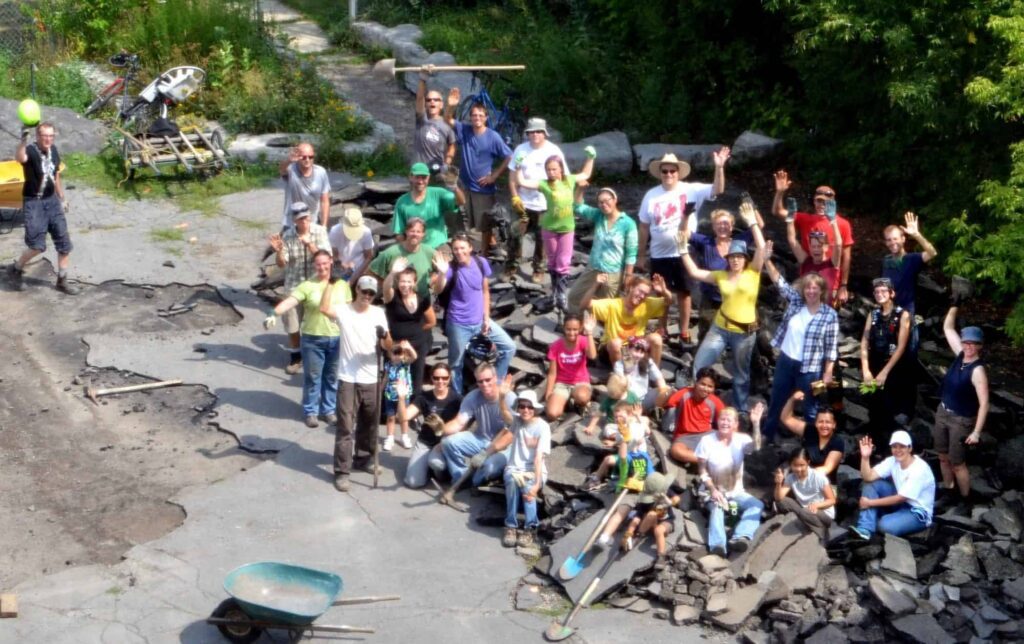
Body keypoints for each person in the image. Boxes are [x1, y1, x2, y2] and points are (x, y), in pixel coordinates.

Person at [637, 148, 730, 345]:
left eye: (672, 171)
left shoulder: (691, 189)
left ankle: (684, 330)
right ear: (660, 173)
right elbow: (644, 226)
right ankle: (662, 328)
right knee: (660, 291)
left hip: (684, 250)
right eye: (665, 171)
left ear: (678, 172)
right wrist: (640, 255)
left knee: (684, 291)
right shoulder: (651, 195)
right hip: (658, 252)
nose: (669, 174)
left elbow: (718, 189)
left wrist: (719, 167)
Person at [681, 200, 767, 412]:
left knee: (740, 374)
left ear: (744, 259)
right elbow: (694, 273)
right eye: (732, 257)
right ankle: (696, 401)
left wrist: (752, 222)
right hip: (720, 327)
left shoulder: (753, 273)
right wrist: (682, 250)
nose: (735, 260)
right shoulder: (720, 274)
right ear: (727, 259)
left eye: (739, 257)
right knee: (700, 363)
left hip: (745, 332)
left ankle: (739, 410)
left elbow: (762, 247)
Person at [320, 275, 392, 492]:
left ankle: (363, 458)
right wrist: (330, 285)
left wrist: (384, 335)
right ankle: (342, 471)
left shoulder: (378, 313)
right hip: (348, 378)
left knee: (369, 422)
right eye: (364, 292)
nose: (367, 296)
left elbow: (388, 345)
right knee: (345, 425)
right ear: (357, 291)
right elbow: (324, 308)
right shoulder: (344, 310)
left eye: (371, 293)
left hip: (371, 376)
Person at [263, 250, 351, 428]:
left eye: (325, 263)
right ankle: (310, 411)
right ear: (314, 265)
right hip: (313, 339)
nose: (322, 267)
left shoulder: (342, 285)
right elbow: (291, 301)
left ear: (331, 262)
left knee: (332, 377)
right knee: (313, 377)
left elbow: (349, 310)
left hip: (336, 338)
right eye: (318, 264)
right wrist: (274, 313)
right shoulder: (307, 285)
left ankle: (329, 410)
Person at [763, 249, 839, 442]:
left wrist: (828, 372)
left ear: (822, 291)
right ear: (803, 290)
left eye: (815, 289)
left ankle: (815, 445)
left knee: (811, 407)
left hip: (812, 370)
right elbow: (779, 282)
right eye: (808, 288)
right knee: (776, 401)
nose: (811, 292)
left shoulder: (830, 315)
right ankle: (766, 438)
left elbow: (831, 347)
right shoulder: (796, 302)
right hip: (786, 362)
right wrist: (766, 260)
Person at [434, 234, 517, 394]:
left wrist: (486, 317)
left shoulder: (481, 263)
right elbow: (438, 289)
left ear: (470, 248)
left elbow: (485, 291)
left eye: (462, 248)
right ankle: (457, 399)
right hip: (458, 323)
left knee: (509, 347)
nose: (459, 252)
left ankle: (495, 387)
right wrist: (442, 273)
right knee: (456, 364)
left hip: (480, 321)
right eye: (456, 249)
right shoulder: (451, 269)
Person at [514, 149, 595, 312]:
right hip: (549, 227)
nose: (551, 172)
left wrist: (590, 157)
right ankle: (554, 293)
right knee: (551, 261)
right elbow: (522, 181)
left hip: (567, 228)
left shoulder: (569, 180)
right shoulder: (544, 184)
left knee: (563, 262)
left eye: (554, 169)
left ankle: (562, 294)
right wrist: (518, 165)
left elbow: (585, 174)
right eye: (548, 169)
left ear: (561, 169)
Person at [9, 122, 78, 294]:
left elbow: (55, 174)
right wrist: (23, 140)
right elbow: (20, 158)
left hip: (52, 201)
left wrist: (61, 197)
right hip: (34, 203)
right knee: (37, 246)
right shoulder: (31, 151)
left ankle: (62, 281)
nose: (48, 139)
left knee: (64, 243)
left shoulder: (53, 150)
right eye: (44, 135)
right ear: (38, 136)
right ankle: (16, 268)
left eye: (51, 135)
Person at [445, 89, 513, 254]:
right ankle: (491, 243)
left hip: (483, 187)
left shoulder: (493, 136)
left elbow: (510, 156)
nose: (477, 118)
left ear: (486, 118)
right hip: (466, 184)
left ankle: (484, 252)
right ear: (470, 117)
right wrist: (451, 106)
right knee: (470, 218)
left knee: (485, 222)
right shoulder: (465, 130)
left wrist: (494, 175)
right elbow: (447, 119)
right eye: (474, 115)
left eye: (480, 115)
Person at [771, 171, 854, 306]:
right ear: (814, 201)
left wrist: (843, 285)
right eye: (818, 201)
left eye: (826, 202)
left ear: (833, 203)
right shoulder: (805, 219)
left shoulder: (843, 224)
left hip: (830, 279)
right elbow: (778, 212)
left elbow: (845, 255)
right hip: (808, 275)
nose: (821, 205)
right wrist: (780, 192)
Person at [933, 306, 988, 506]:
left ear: (980, 346)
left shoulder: (977, 370)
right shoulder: (960, 355)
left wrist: (976, 432)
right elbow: (948, 329)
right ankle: (949, 490)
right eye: (966, 342)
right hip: (943, 412)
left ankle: (966, 499)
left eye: (973, 344)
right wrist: (954, 308)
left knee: (958, 463)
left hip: (961, 420)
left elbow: (984, 404)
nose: (968, 346)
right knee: (942, 456)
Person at [268, 203, 331, 375]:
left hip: (316, 283)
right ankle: (296, 355)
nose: (304, 222)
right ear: (294, 221)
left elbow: (327, 257)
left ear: (310, 216)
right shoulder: (288, 235)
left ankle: (318, 354)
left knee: (317, 321)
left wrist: (310, 245)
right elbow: (282, 264)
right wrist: (279, 251)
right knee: (292, 321)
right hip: (294, 284)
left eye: (306, 217)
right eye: (300, 219)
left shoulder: (319, 231)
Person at [696, 407, 762, 557]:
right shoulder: (707, 441)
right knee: (717, 507)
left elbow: (756, 447)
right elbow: (701, 470)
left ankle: (740, 536)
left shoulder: (742, 439)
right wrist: (713, 490)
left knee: (757, 505)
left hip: (735, 491)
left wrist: (756, 424)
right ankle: (718, 545)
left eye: (729, 420)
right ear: (717, 421)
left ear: (735, 424)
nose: (725, 422)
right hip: (711, 489)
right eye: (722, 419)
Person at [439, 363, 518, 488]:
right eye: (480, 381)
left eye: (488, 380)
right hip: (481, 439)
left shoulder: (510, 398)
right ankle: (461, 477)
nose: (484, 384)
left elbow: (512, 433)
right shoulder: (473, 397)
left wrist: (488, 452)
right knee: (448, 442)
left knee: (487, 469)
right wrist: (441, 429)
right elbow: (459, 422)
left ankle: (476, 481)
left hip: (504, 446)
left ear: (495, 377)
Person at [507, 117, 566, 283]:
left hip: (545, 204)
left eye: (538, 131)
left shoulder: (553, 151)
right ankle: (511, 265)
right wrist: (514, 196)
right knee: (514, 234)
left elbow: (563, 177)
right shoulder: (520, 150)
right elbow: (512, 176)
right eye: (531, 132)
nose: (535, 135)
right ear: (527, 133)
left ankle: (539, 269)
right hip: (523, 202)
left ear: (544, 133)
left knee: (542, 238)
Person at [687, 207, 761, 337]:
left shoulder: (739, 241)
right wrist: (684, 216)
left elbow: (760, 226)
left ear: (732, 226)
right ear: (713, 227)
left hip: (738, 298)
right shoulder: (706, 242)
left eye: (726, 223)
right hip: (712, 299)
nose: (722, 226)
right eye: (718, 224)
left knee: (743, 334)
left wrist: (752, 208)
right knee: (706, 334)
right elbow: (684, 234)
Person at [850, 431, 935, 539]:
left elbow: (901, 498)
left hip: (917, 512)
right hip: (900, 503)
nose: (898, 450)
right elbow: (868, 477)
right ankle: (865, 528)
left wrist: (870, 503)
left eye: (902, 447)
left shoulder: (920, 469)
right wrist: (865, 458)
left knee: (884, 525)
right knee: (871, 484)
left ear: (910, 448)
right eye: (894, 447)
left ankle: (877, 518)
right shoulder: (892, 461)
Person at [495, 383, 551, 548]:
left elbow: (539, 458)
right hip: (514, 468)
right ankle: (511, 525)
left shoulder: (543, 427)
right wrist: (501, 397)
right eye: (522, 406)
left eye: (529, 407)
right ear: (518, 408)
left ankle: (530, 528)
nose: (525, 410)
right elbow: (505, 414)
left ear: (534, 408)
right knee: (511, 481)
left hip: (534, 470)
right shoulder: (517, 422)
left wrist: (536, 484)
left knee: (527, 489)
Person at [566, 187, 638, 313]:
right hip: (593, 268)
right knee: (574, 296)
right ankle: (576, 327)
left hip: (613, 273)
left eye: (606, 200)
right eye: (600, 202)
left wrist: (628, 276)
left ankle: (599, 331)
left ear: (615, 199)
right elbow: (577, 206)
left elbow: (631, 253)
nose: (604, 205)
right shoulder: (598, 216)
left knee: (605, 309)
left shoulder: (628, 224)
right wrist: (581, 189)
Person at [859, 277, 914, 440]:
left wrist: (885, 372)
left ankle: (892, 441)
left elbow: (901, 346)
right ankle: (873, 439)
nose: (879, 294)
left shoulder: (902, 315)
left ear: (892, 293)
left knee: (890, 407)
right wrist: (866, 370)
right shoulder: (873, 315)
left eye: (883, 291)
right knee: (873, 404)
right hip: (874, 364)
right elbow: (864, 342)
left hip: (893, 367)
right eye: (876, 291)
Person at [400, 363, 462, 489]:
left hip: (444, 443)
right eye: (436, 378)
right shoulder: (424, 397)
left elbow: (462, 425)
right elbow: (404, 417)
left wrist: (446, 438)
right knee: (413, 482)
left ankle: (437, 472)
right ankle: (424, 467)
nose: (440, 381)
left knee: (437, 464)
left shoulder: (457, 399)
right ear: (431, 378)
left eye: (444, 378)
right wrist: (401, 398)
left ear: (449, 378)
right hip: (426, 441)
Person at [595, 472, 680, 562]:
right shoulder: (645, 502)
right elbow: (637, 517)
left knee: (658, 530)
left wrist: (668, 504)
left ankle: (661, 556)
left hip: (665, 521)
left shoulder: (666, 491)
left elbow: (677, 499)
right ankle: (637, 536)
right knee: (651, 515)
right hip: (649, 521)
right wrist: (628, 534)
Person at [587, 274, 669, 366]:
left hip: (635, 348)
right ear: (631, 288)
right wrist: (596, 284)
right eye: (640, 291)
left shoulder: (646, 304)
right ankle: (621, 374)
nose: (642, 296)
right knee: (616, 343)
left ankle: (653, 374)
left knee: (656, 338)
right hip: (612, 350)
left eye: (645, 294)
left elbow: (668, 301)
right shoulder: (613, 305)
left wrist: (664, 291)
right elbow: (586, 304)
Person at [383, 265, 436, 395]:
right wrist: (392, 273)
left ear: (414, 282)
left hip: (417, 346)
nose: (405, 285)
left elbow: (431, 322)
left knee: (416, 381)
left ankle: (413, 412)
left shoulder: (422, 300)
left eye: (408, 281)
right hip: (397, 347)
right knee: (395, 382)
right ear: (397, 282)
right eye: (402, 281)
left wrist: (416, 331)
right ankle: (393, 412)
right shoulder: (392, 297)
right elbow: (385, 288)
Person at [584, 398, 653, 491]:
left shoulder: (636, 424)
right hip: (627, 456)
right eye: (615, 417)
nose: (618, 419)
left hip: (639, 455)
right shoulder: (620, 430)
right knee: (607, 460)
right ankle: (597, 478)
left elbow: (647, 432)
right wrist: (614, 443)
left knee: (648, 472)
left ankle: (650, 484)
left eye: (620, 416)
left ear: (629, 414)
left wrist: (637, 416)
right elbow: (622, 441)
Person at [391, 163, 463, 251]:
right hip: (414, 247)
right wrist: (405, 250)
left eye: (423, 177)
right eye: (417, 177)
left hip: (438, 245)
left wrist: (454, 187)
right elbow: (399, 233)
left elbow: (461, 202)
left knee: (446, 259)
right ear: (410, 177)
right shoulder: (402, 202)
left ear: (428, 178)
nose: (420, 181)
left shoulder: (439, 194)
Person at [662, 367, 726, 465]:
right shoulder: (684, 394)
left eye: (710, 386)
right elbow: (666, 404)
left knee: (727, 441)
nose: (705, 389)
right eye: (703, 384)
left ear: (713, 389)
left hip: (707, 434)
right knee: (676, 451)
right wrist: (667, 393)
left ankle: (704, 459)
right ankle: (707, 459)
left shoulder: (714, 401)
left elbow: (727, 418)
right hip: (684, 436)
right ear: (696, 382)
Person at [881, 212, 938, 318]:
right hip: (889, 313)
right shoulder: (886, 260)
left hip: (906, 314)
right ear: (886, 243)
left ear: (903, 239)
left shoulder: (912, 259)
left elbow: (932, 253)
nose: (892, 243)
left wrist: (916, 234)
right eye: (889, 240)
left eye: (895, 239)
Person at [369, 217, 442, 299]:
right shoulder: (390, 253)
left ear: (423, 234)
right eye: (412, 231)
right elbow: (371, 272)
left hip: (422, 301)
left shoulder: (430, 252)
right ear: (406, 232)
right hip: (397, 302)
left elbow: (441, 270)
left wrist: (430, 281)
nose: (415, 234)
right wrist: (387, 287)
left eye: (418, 232)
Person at [778, 392, 845, 481]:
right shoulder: (810, 430)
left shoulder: (837, 442)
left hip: (823, 482)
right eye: (820, 422)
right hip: (800, 476)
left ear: (834, 425)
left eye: (828, 422)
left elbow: (827, 468)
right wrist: (792, 400)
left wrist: (802, 472)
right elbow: (786, 419)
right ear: (816, 423)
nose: (824, 425)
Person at [773, 447, 836, 540]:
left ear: (808, 463)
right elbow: (779, 498)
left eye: (802, 465)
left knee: (806, 511)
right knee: (781, 502)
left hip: (823, 514)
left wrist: (817, 505)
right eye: (795, 465)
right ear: (790, 464)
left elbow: (832, 500)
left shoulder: (818, 477)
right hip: (805, 510)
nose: (798, 469)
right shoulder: (790, 477)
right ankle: (804, 523)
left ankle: (822, 532)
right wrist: (778, 483)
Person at [543, 313, 597, 420]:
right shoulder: (555, 346)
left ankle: (578, 403)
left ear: (580, 328)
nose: (572, 333)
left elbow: (592, 355)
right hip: (562, 384)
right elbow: (552, 373)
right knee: (552, 414)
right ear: (564, 328)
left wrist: (589, 332)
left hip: (580, 382)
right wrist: (549, 392)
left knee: (582, 397)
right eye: (568, 329)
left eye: (575, 329)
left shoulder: (583, 341)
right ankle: (568, 402)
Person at [788, 216, 842, 305]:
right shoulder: (806, 261)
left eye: (819, 246)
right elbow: (792, 241)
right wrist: (790, 219)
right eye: (813, 246)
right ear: (809, 247)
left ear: (826, 247)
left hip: (824, 313)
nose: (816, 250)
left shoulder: (832, 263)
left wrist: (833, 222)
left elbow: (839, 245)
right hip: (804, 310)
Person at [413, 69, 457, 180]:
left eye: (436, 100)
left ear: (441, 105)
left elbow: (452, 145)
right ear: (426, 104)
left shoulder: (446, 124)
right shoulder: (421, 119)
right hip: (419, 171)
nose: (432, 102)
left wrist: (447, 162)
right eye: (428, 100)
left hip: (437, 171)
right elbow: (419, 99)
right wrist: (423, 78)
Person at [279, 141, 331, 228]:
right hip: (291, 224)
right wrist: (288, 160)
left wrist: (324, 225)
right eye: (304, 157)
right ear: (298, 157)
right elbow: (282, 170)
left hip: (312, 222)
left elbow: (325, 201)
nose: (307, 160)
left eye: (310, 157)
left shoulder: (321, 172)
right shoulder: (291, 169)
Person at [613, 336, 670, 412]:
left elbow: (659, 378)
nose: (638, 355)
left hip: (644, 398)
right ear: (627, 349)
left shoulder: (647, 362)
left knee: (667, 390)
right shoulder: (619, 364)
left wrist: (663, 391)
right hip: (627, 400)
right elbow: (621, 385)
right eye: (636, 350)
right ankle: (638, 413)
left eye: (641, 352)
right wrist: (628, 363)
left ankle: (657, 410)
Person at [382, 340, 418, 452]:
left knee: (404, 417)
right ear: (390, 354)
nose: (397, 357)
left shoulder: (405, 364)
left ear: (404, 354)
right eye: (395, 354)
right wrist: (380, 389)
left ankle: (405, 436)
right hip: (390, 394)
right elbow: (385, 378)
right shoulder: (388, 365)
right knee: (390, 417)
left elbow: (415, 357)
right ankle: (390, 437)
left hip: (403, 395)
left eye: (400, 354)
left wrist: (409, 347)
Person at [328, 206, 374, 289]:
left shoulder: (366, 232)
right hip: (340, 268)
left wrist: (353, 280)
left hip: (360, 268)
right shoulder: (334, 231)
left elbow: (368, 257)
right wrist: (343, 264)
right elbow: (334, 255)